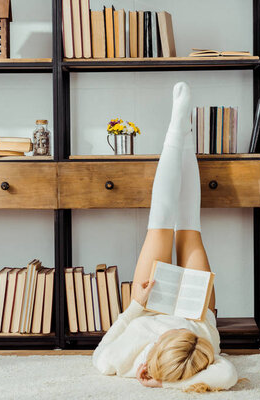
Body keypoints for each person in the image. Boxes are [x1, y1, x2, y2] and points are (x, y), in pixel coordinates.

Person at [92, 82, 238, 392]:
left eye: (159, 341)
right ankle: (182, 131)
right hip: (197, 314)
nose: (164, 332)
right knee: (188, 227)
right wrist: (172, 380)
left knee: (160, 224)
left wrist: (136, 308)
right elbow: (227, 376)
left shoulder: (121, 361)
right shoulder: (200, 356)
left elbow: (99, 354)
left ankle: (177, 131)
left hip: (148, 307)